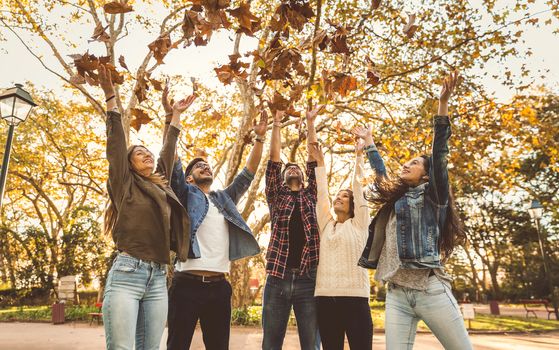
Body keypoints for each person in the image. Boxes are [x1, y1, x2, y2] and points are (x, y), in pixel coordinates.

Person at [354, 71, 472, 349]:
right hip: (396, 294)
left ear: (427, 175)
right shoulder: (396, 200)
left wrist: (442, 104)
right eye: (405, 162)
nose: (406, 165)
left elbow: (440, 152)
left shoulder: (435, 197)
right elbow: (381, 175)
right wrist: (370, 144)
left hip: (430, 288)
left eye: (415, 163)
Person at [164, 84, 267, 350]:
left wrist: (260, 138)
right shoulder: (185, 193)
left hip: (219, 287)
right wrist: (174, 117)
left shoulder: (223, 199)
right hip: (186, 283)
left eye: (206, 165)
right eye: (198, 166)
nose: (204, 166)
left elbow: (249, 173)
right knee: (177, 344)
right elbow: (171, 160)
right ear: (189, 178)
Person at [98, 65, 194, 350]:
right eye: (140, 153)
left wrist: (175, 116)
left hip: (158, 277)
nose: (148, 155)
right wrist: (110, 97)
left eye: (148, 153)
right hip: (127, 273)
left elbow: (168, 150)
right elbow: (116, 145)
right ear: (129, 164)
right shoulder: (124, 183)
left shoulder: (161, 185)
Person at [262, 106, 322, 350]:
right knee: (271, 342)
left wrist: (310, 123)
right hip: (278, 277)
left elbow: (313, 161)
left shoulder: (313, 195)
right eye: (289, 168)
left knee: (311, 343)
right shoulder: (277, 195)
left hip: (309, 278)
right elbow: (274, 162)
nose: (293, 168)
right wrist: (276, 124)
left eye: (296, 168)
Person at [308, 137, 373, 350]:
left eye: (345, 196)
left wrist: (359, 155)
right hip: (326, 299)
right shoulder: (326, 225)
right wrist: (321, 165)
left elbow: (358, 187)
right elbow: (321, 196)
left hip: (355, 299)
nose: (339, 197)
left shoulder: (360, 223)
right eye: (338, 195)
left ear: (353, 203)